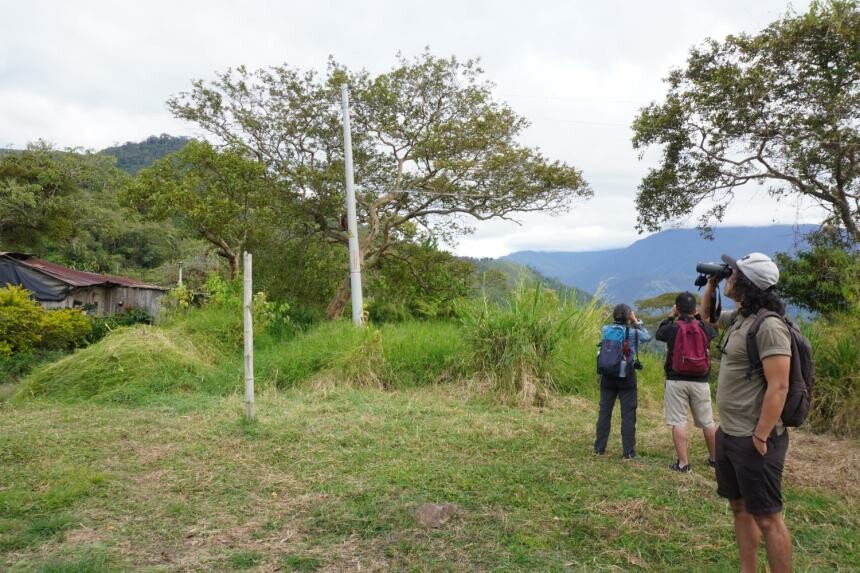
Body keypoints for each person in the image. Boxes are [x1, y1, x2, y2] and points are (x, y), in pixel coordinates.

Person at [701, 252, 793, 573]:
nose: (730, 277)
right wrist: (711, 286)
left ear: (748, 283)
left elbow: (779, 386)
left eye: (734, 274)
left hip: (755, 438)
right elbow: (708, 319)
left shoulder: (768, 326)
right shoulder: (741, 318)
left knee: (768, 518)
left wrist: (761, 435)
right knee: (739, 507)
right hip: (730, 432)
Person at [656, 292, 717, 472]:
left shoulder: (673, 327)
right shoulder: (704, 328)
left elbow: (660, 334)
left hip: (676, 380)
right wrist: (698, 317)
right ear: (694, 309)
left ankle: (683, 464)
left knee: (678, 422)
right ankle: (714, 459)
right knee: (708, 422)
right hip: (701, 380)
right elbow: (713, 332)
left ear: (677, 308)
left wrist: (670, 316)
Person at [594, 303, 651, 459]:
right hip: (626, 377)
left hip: (607, 376)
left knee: (604, 411)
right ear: (628, 317)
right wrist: (635, 320)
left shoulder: (606, 330)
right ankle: (628, 452)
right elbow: (647, 336)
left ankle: (599, 448)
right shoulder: (632, 333)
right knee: (628, 414)